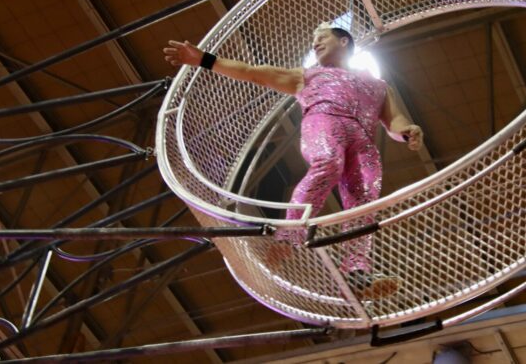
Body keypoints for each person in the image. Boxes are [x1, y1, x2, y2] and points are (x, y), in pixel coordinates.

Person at [163, 22, 423, 298]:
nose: (315, 44)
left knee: (364, 200)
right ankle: (289, 235)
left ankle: (358, 272)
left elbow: (394, 120)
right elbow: (253, 73)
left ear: (344, 41)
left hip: (363, 139)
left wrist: (407, 131)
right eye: (314, 40)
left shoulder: (378, 85)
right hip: (325, 122)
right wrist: (204, 59)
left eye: (321, 38)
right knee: (328, 162)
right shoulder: (307, 76)